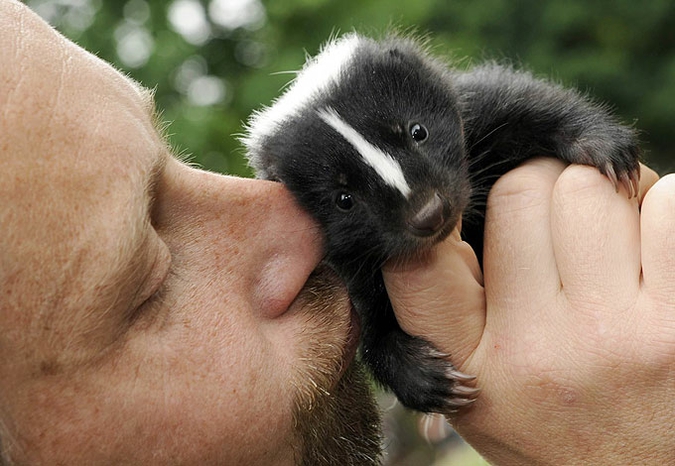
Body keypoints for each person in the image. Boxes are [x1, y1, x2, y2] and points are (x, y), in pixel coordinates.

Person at [2, 0, 674, 464]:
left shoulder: (478, 110)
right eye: (147, 283)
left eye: (179, 161)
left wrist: (581, 138)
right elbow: (383, 337)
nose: (292, 227)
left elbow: (543, 114)